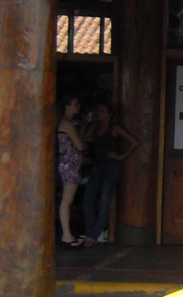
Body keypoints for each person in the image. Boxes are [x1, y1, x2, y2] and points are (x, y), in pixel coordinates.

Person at [81, 100, 138, 243]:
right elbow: (82, 136)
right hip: (98, 165)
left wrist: (120, 157)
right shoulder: (95, 126)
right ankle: (91, 232)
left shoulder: (114, 128)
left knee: (105, 199)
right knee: (87, 198)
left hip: (111, 166)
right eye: (98, 111)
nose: (99, 114)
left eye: (102, 111)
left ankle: (93, 235)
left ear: (109, 114)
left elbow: (134, 142)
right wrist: (85, 122)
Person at [56, 93, 88, 248]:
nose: (78, 107)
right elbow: (81, 145)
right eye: (75, 104)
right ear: (67, 106)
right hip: (70, 165)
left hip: (69, 164)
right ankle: (66, 234)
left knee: (68, 200)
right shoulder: (67, 124)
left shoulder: (67, 123)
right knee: (67, 201)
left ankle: (67, 233)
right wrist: (83, 142)